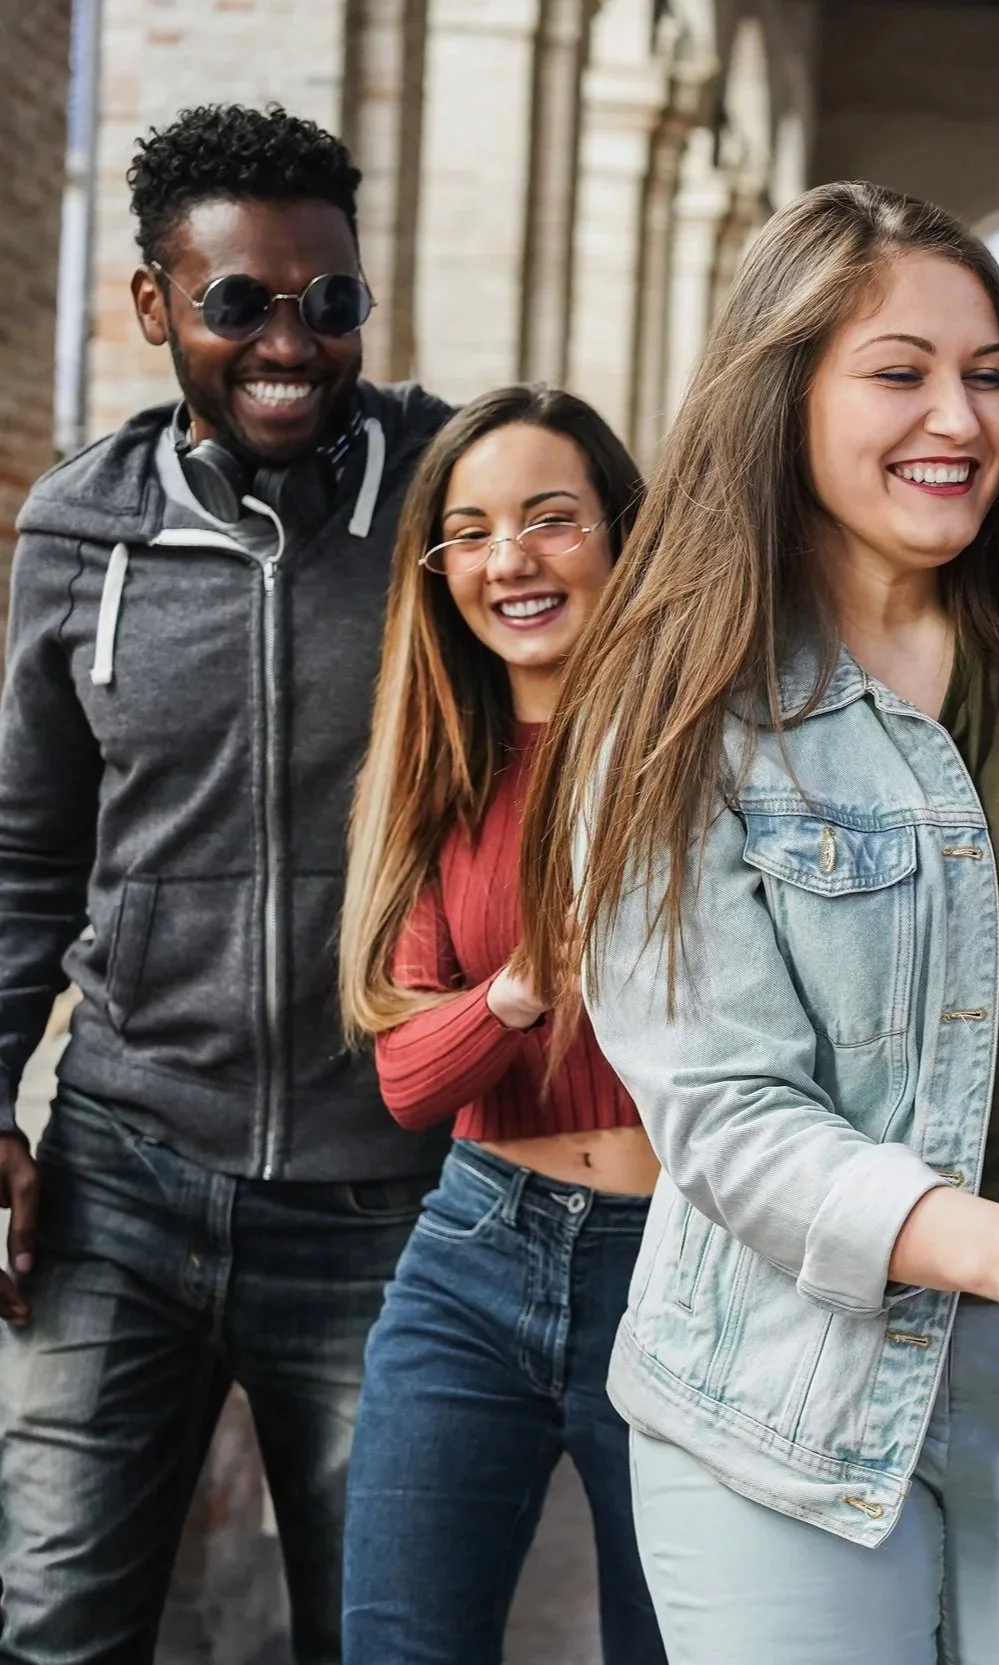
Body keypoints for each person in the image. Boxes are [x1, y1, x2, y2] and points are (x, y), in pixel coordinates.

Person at [513, 181, 999, 1665]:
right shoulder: (671, 706)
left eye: (987, 377)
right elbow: (720, 1109)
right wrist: (997, 1248)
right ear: (782, 393)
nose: (960, 420)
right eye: (900, 373)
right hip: (779, 1378)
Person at [0, 105, 451, 1662]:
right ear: (152, 308)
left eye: (329, 303)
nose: (290, 342)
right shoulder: (80, 533)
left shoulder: (447, 503)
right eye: (238, 302)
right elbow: (27, 852)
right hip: (123, 1175)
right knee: (54, 1624)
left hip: (384, 1192)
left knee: (380, 1634)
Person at [332, 386, 662, 1663]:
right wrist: (526, 985)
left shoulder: (696, 752)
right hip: (473, 1249)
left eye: (549, 518)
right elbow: (410, 1081)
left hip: (677, 1260)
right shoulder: (435, 768)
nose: (508, 559)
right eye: (468, 531)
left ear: (621, 537)